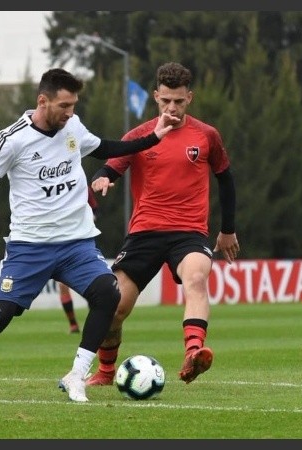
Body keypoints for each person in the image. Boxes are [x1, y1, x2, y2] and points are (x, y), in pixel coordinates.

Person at [0, 67, 179, 404]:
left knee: (108, 294)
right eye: (64, 105)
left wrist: (154, 137)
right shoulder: (12, 139)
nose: (70, 112)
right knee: (1, 313)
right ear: (42, 101)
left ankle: (77, 375)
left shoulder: (72, 127)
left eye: (73, 105)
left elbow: (106, 147)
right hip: (30, 246)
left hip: (76, 243)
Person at [85, 61, 239, 387]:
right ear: (155, 96)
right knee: (113, 307)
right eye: (166, 100)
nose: (172, 108)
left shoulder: (206, 135)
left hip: (189, 232)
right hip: (145, 232)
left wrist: (227, 229)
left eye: (179, 101)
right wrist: (102, 178)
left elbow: (225, 180)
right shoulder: (140, 136)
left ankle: (193, 352)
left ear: (189, 98)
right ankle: (106, 371)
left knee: (196, 278)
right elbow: (112, 166)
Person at [56, 186, 99, 334]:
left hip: (80, 242)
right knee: (63, 285)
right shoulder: (53, 189)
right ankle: (73, 324)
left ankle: (94, 321)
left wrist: (89, 219)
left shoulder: (80, 185)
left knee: (92, 285)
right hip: (60, 242)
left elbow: (95, 210)